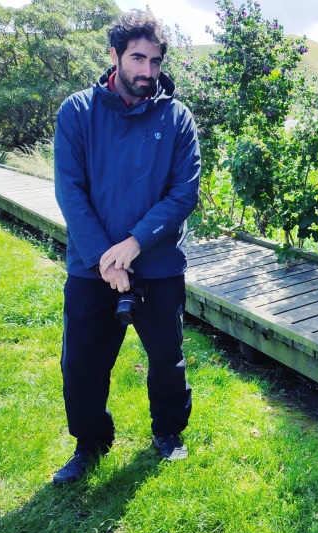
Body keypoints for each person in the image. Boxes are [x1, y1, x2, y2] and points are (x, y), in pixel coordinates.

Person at [52, 9, 201, 485]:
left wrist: (134, 245)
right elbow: (69, 190)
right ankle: (90, 443)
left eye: (156, 61)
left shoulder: (177, 118)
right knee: (82, 364)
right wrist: (104, 259)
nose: (147, 72)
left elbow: (184, 193)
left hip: (157, 263)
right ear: (114, 55)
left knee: (167, 357)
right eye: (138, 58)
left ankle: (169, 433)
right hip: (90, 266)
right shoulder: (77, 112)